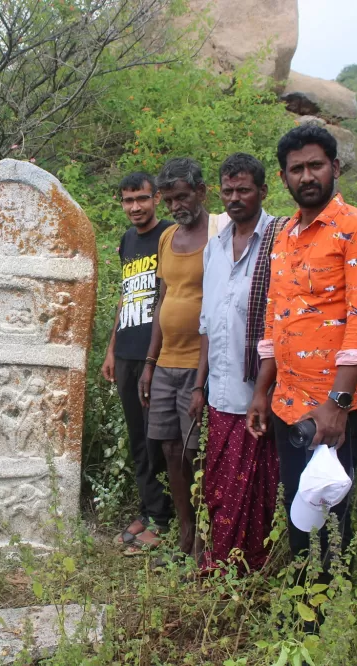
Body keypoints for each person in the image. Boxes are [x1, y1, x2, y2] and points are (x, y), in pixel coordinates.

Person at [247, 125, 357, 572]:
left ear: (335, 168)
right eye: (297, 169)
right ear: (284, 177)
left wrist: (338, 405)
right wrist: (261, 394)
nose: (307, 176)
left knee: (330, 516)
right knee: (300, 508)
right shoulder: (285, 234)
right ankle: (303, 600)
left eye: (316, 165)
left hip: (332, 410)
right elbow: (274, 319)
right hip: (289, 404)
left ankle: (322, 620)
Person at [191, 153, 285, 572]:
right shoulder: (213, 249)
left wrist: (263, 393)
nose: (234, 198)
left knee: (258, 488)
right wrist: (199, 386)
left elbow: (282, 326)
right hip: (220, 393)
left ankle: (253, 569)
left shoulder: (283, 241)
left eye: (243, 189)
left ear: (263, 192)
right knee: (220, 486)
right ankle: (220, 565)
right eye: (228, 190)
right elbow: (208, 325)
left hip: (261, 394)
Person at [100, 172, 174, 555]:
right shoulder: (128, 240)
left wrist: (153, 358)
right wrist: (112, 349)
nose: (135, 207)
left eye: (142, 199)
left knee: (158, 438)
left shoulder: (170, 236)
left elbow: (167, 295)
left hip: (156, 355)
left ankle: (165, 520)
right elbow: (126, 296)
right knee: (137, 438)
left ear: (156, 198)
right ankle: (149, 510)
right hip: (127, 352)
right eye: (127, 200)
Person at [138, 157, 209, 557]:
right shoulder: (167, 238)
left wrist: (201, 380)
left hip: (199, 364)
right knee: (167, 448)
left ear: (201, 192)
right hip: (166, 362)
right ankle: (184, 530)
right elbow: (163, 300)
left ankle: (202, 533)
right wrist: (150, 363)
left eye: (181, 197)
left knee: (194, 450)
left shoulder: (217, 235)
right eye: (168, 201)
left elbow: (217, 306)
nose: (175, 207)